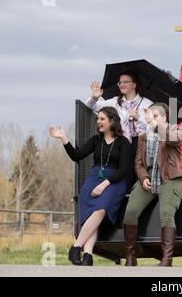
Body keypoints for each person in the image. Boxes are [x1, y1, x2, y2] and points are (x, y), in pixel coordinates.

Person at [50, 107, 132, 266]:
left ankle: (76, 247)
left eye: (102, 119)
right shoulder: (96, 140)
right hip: (94, 178)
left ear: (112, 121)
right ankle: (87, 255)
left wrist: (104, 184)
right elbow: (76, 156)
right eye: (97, 119)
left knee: (100, 209)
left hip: (114, 181)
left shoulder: (123, 142)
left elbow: (123, 169)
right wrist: (64, 139)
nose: (98, 122)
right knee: (91, 216)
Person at [123, 102, 182, 267]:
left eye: (156, 116)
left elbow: (173, 140)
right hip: (149, 178)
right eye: (151, 116)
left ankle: (167, 260)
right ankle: (130, 257)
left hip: (169, 178)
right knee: (130, 211)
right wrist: (143, 177)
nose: (152, 119)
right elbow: (138, 163)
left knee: (166, 214)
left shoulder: (174, 131)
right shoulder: (143, 137)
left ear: (164, 118)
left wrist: (155, 125)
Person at [86, 70, 153, 193]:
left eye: (125, 82)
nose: (121, 84)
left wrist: (140, 119)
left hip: (142, 144)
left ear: (134, 84)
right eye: (119, 82)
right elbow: (92, 107)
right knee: (123, 175)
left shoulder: (147, 104)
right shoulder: (114, 102)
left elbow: (154, 128)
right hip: (121, 143)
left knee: (139, 174)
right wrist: (94, 98)